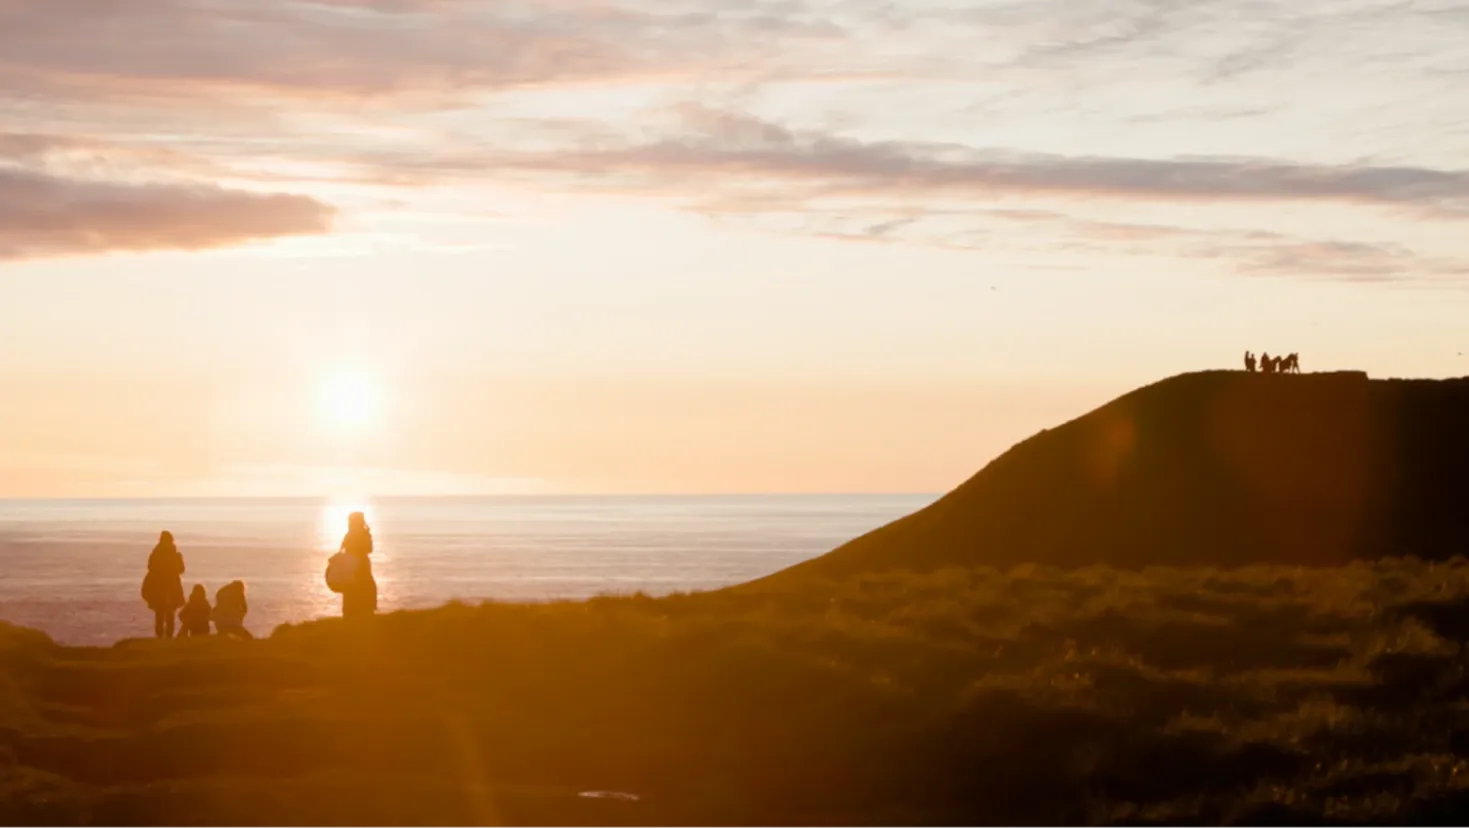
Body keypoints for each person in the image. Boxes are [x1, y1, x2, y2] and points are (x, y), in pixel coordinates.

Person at [141, 530, 186, 639]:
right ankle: (163, 636)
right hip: (164, 586)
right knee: (162, 612)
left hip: (165, 586)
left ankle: (165, 636)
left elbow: (180, 569)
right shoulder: (164, 554)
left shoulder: (159, 553)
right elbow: (181, 569)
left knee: (164, 612)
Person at [338, 511, 378, 619]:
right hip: (362, 564)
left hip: (351, 565)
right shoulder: (364, 534)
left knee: (351, 590)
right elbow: (370, 549)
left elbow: (343, 549)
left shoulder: (349, 535)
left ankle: (351, 614)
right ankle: (366, 612)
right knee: (365, 587)